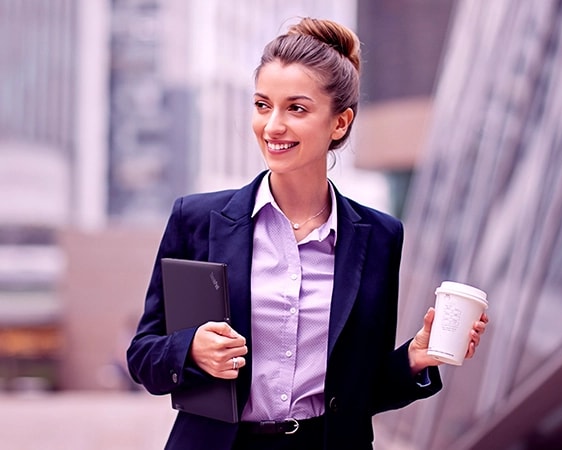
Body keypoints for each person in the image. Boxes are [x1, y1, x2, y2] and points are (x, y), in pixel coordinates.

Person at [127, 17, 489, 450]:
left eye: (296, 108)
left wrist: (415, 358)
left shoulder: (378, 236)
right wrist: (189, 350)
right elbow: (143, 355)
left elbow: (359, 394)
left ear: (340, 123)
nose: (272, 126)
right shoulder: (197, 219)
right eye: (263, 105)